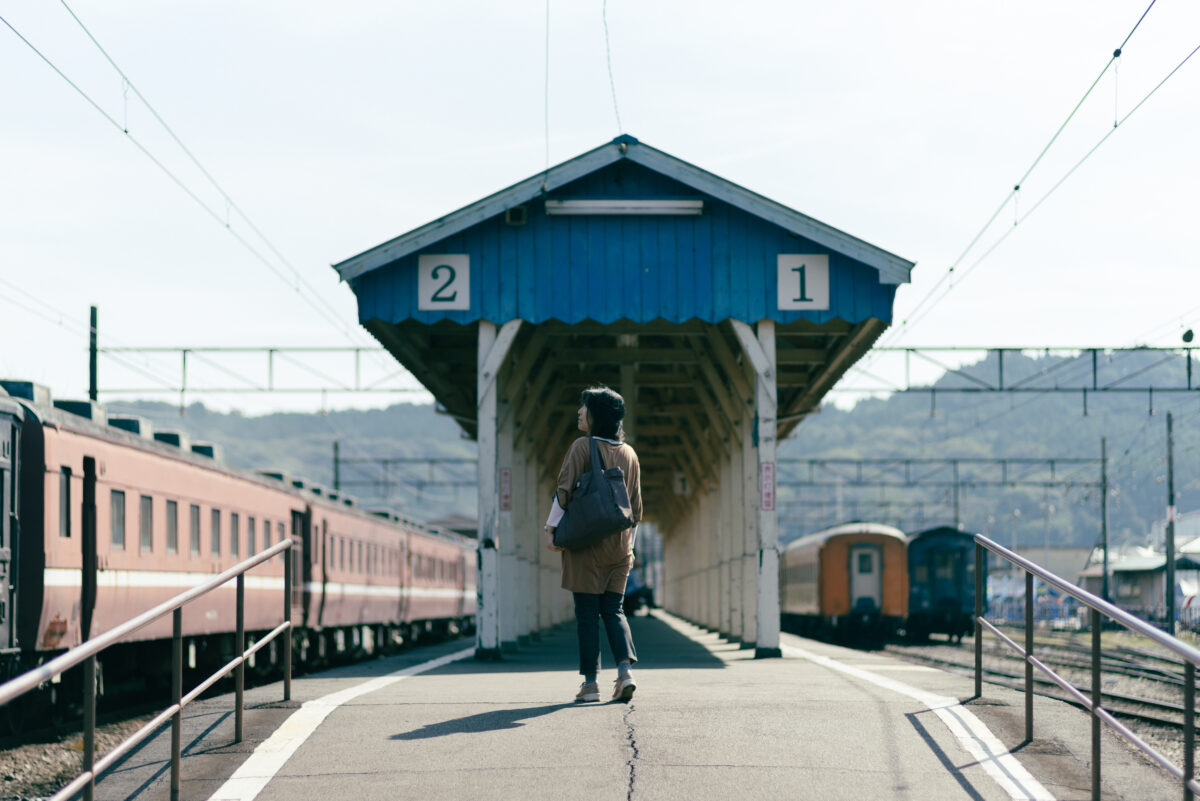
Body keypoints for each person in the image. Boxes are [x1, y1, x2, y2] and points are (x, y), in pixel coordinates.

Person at [544, 385, 642, 703]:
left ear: (595, 414)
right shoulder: (629, 454)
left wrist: (551, 530)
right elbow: (636, 511)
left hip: (586, 546)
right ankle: (625, 673)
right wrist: (630, 548)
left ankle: (590, 685)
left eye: (583, 407)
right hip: (620, 548)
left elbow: (564, 491)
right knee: (614, 610)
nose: (579, 412)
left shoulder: (582, 448)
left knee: (587, 615)